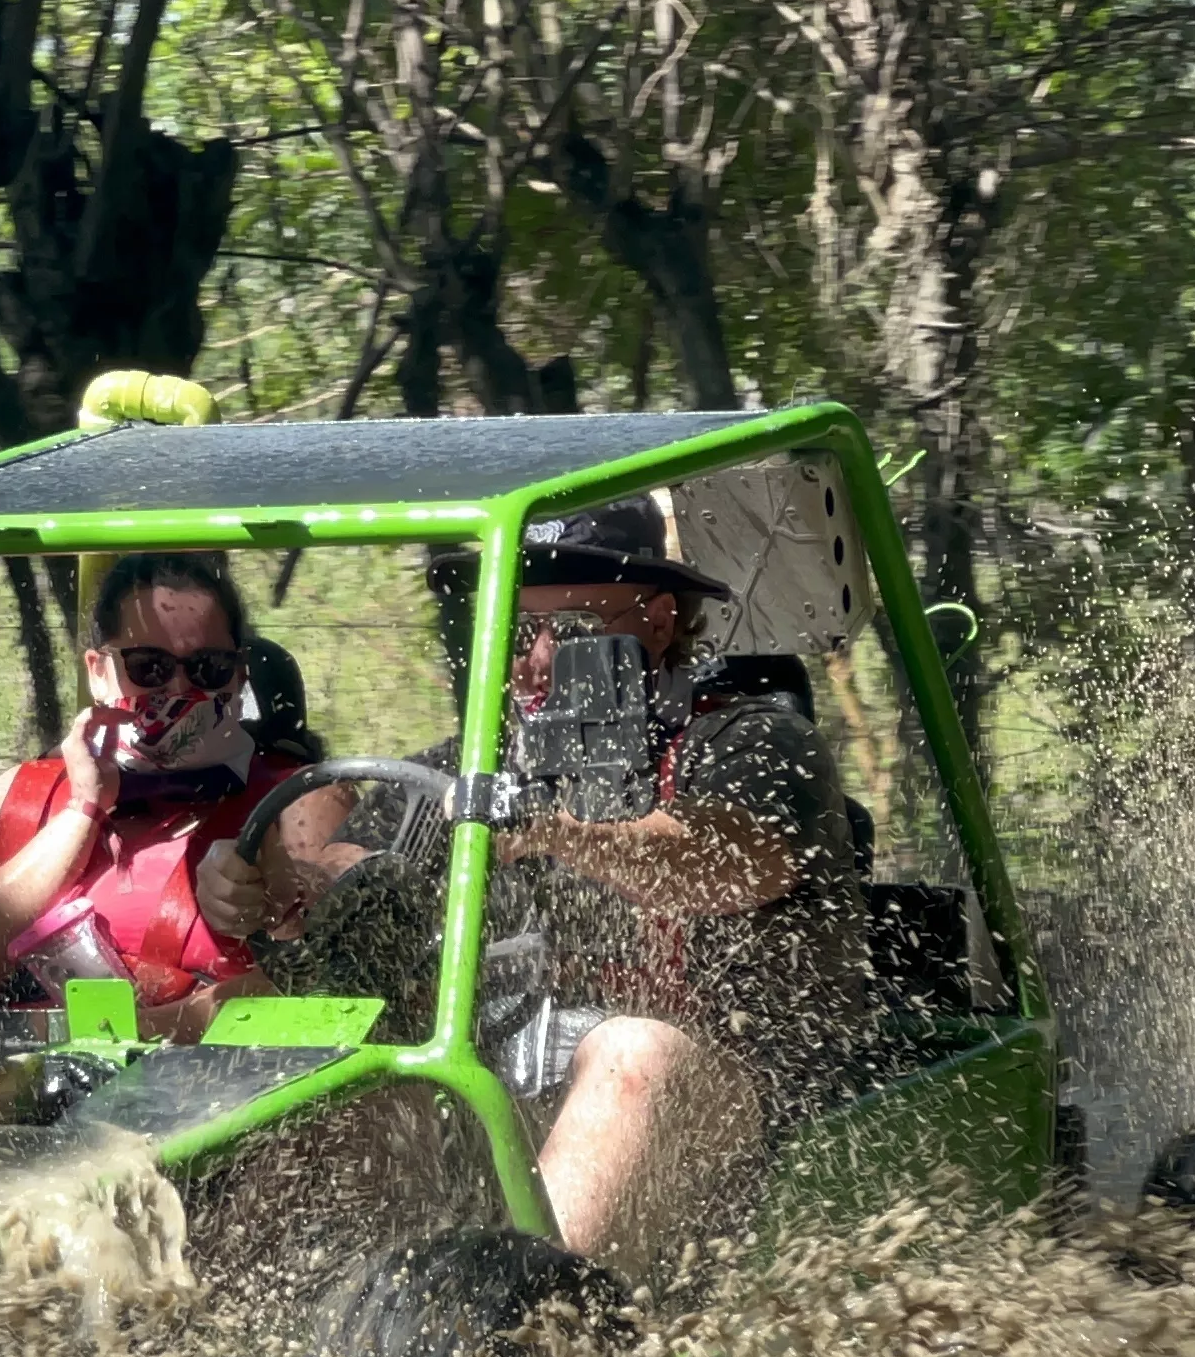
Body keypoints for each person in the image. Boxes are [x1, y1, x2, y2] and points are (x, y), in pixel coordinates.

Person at [210, 498, 865, 1265]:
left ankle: (536, 1331)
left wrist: (559, 831)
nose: (538, 661)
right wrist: (264, 881)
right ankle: (260, 1333)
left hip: (746, 1117)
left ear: (657, 622)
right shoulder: (467, 764)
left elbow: (733, 860)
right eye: (519, 636)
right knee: (354, 1073)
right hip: (505, 1095)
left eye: (575, 634)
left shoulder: (748, 737)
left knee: (632, 1054)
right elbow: (352, 875)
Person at [0, 551, 349, 1042]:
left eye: (208, 668)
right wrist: (83, 809)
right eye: (149, 667)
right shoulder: (25, 796)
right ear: (98, 672)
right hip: (31, 1107)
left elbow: (336, 974)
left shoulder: (295, 797)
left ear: (239, 678)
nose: (179, 687)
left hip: (225, 1102)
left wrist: (277, 897)